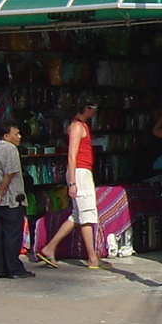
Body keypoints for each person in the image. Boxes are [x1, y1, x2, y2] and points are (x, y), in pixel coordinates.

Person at [36, 99, 104, 270]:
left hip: (82, 171)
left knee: (78, 214)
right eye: (94, 109)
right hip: (79, 172)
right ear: (86, 108)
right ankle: (92, 258)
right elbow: (72, 155)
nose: (95, 112)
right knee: (86, 215)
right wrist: (72, 182)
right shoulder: (76, 126)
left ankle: (50, 248)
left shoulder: (81, 126)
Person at [0, 121, 33, 280]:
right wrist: (1, 191)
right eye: (16, 133)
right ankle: (14, 269)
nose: (19, 137)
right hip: (11, 198)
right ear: (6, 136)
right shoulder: (10, 150)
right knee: (12, 235)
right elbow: (10, 173)